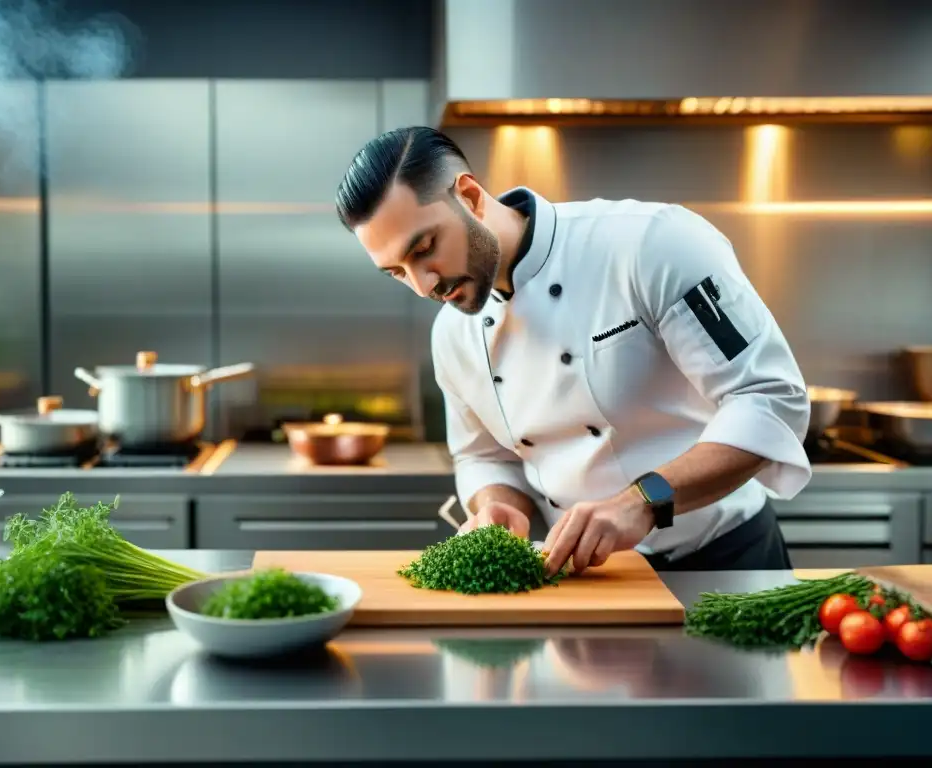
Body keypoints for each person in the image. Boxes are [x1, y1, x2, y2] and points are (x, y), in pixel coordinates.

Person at [335, 126, 811, 574]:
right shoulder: (452, 335)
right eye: (397, 271)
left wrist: (643, 501)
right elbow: (483, 456)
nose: (423, 286)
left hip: (723, 562)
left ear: (471, 196)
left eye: (424, 249)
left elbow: (768, 397)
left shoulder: (650, 244)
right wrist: (498, 506)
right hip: (589, 582)